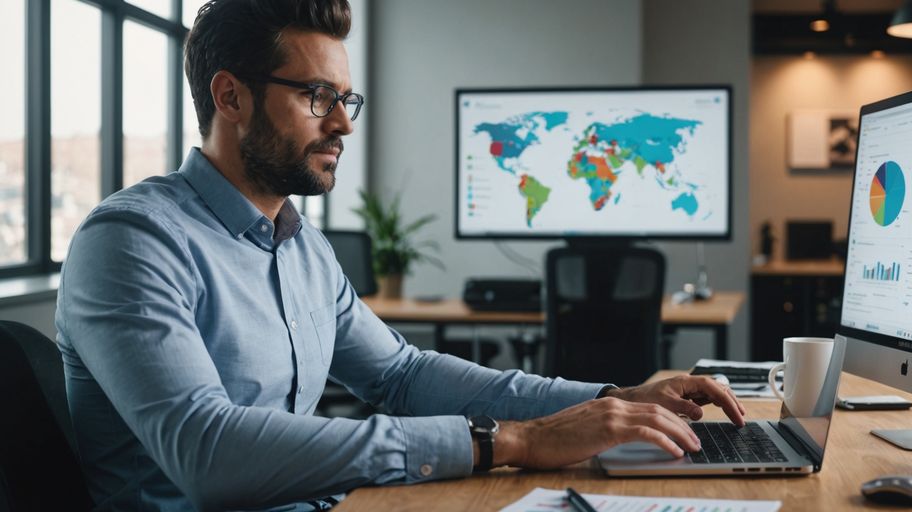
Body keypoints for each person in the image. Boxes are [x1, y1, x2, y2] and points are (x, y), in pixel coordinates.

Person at [55, 1, 746, 510]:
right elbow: (208, 454)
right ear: (230, 96)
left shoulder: (303, 248)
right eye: (317, 96)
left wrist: (610, 400)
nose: (343, 123)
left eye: (345, 98)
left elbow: (403, 375)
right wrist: (509, 440)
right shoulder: (132, 242)